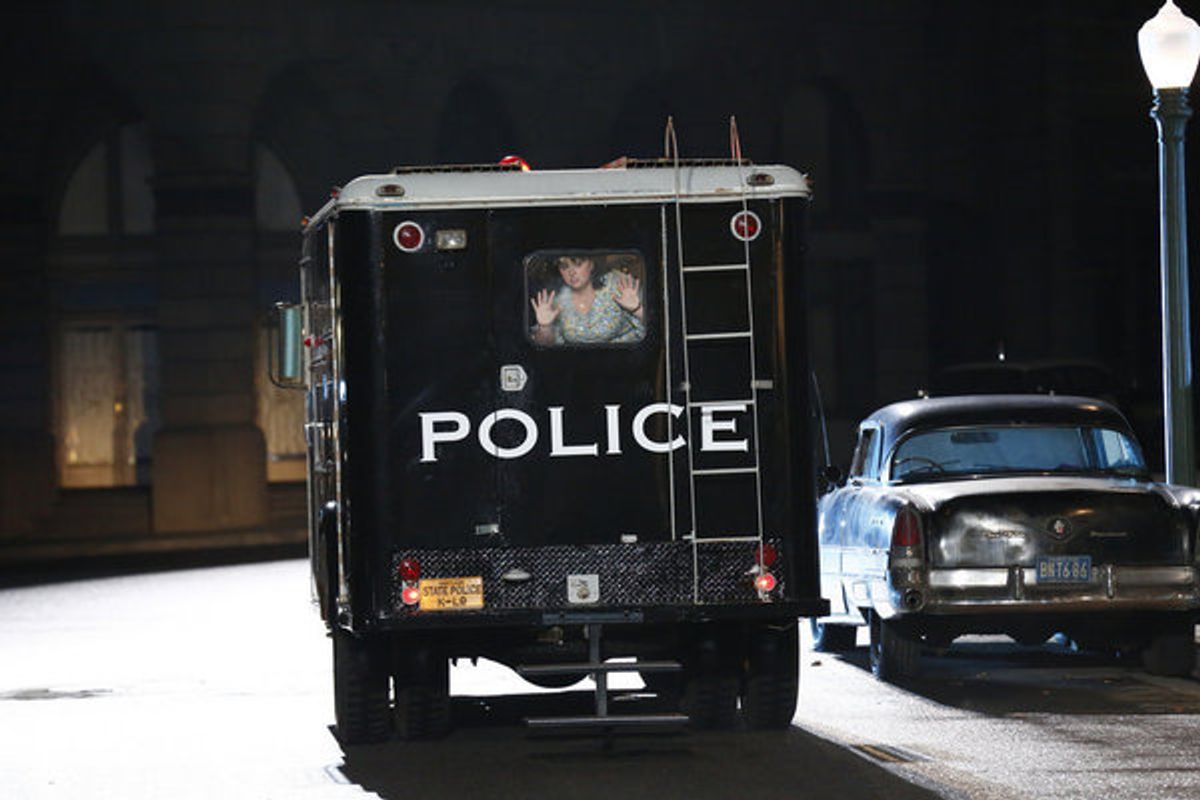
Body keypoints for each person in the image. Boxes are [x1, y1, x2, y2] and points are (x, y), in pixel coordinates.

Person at [529, 254, 645, 345]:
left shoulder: (619, 284)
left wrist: (637, 309)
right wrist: (545, 327)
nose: (571, 272)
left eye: (578, 264)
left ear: (592, 264)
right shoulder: (556, 299)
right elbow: (545, 346)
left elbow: (657, 327)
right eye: (564, 266)